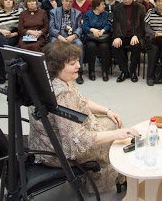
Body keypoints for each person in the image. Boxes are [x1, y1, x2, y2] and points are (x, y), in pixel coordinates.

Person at [28, 42, 138, 192]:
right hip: (55, 153)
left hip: (44, 144)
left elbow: (82, 100)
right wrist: (116, 135)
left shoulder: (51, 81)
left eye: (78, 61)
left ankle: (110, 176)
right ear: (56, 66)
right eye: (72, 63)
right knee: (116, 134)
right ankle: (103, 182)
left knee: (111, 121)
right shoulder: (61, 94)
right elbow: (76, 139)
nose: (79, 66)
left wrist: (106, 110)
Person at [111, 0, 145, 83]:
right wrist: (117, 36)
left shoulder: (140, 8)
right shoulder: (117, 8)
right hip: (122, 35)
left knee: (136, 46)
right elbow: (115, 23)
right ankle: (124, 70)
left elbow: (143, 25)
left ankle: (133, 71)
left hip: (135, 35)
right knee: (115, 46)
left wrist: (136, 35)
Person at [49, 0, 84, 84]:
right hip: (59, 35)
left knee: (79, 44)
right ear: (62, 1)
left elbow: (80, 28)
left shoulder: (77, 13)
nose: (68, 3)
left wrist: (74, 36)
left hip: (72, 35)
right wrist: (59, 36)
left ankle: (79, 72)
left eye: (71, 1)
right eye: (66, 1)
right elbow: (51, 28)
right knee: (53, 44)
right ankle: (54, 72)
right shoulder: (54, 12)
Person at [82, 0, 111, 81]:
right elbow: (84, 26)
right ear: (97, 6)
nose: (104, 6)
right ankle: (91, 71)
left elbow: (108, 24)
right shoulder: (88, 14)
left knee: (104, 47)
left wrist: (102, 30)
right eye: (102, 4)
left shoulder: (105, 14)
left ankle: (105, 71)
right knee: (91, 46)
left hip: (102, 37)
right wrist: (92, 30)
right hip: (91, 37)